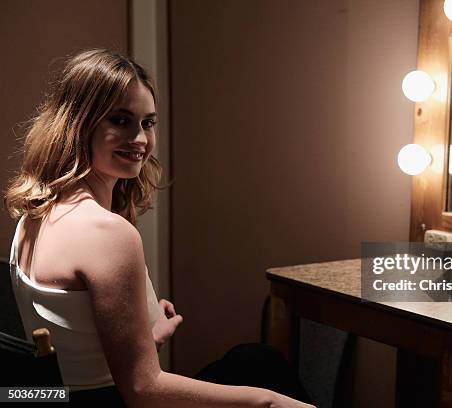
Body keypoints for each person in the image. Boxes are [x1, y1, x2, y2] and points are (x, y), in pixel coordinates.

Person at [4, 49, 314, 408]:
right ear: (80, 123)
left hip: (62, 399)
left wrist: (146, 337)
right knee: (263, 373)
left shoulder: (33, 215)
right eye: (120, 120)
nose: (140, 139)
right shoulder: (106, 233)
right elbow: (142, 389)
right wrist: (266, 402)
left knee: (253, 359)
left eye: (148, 123)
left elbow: (74, 354)